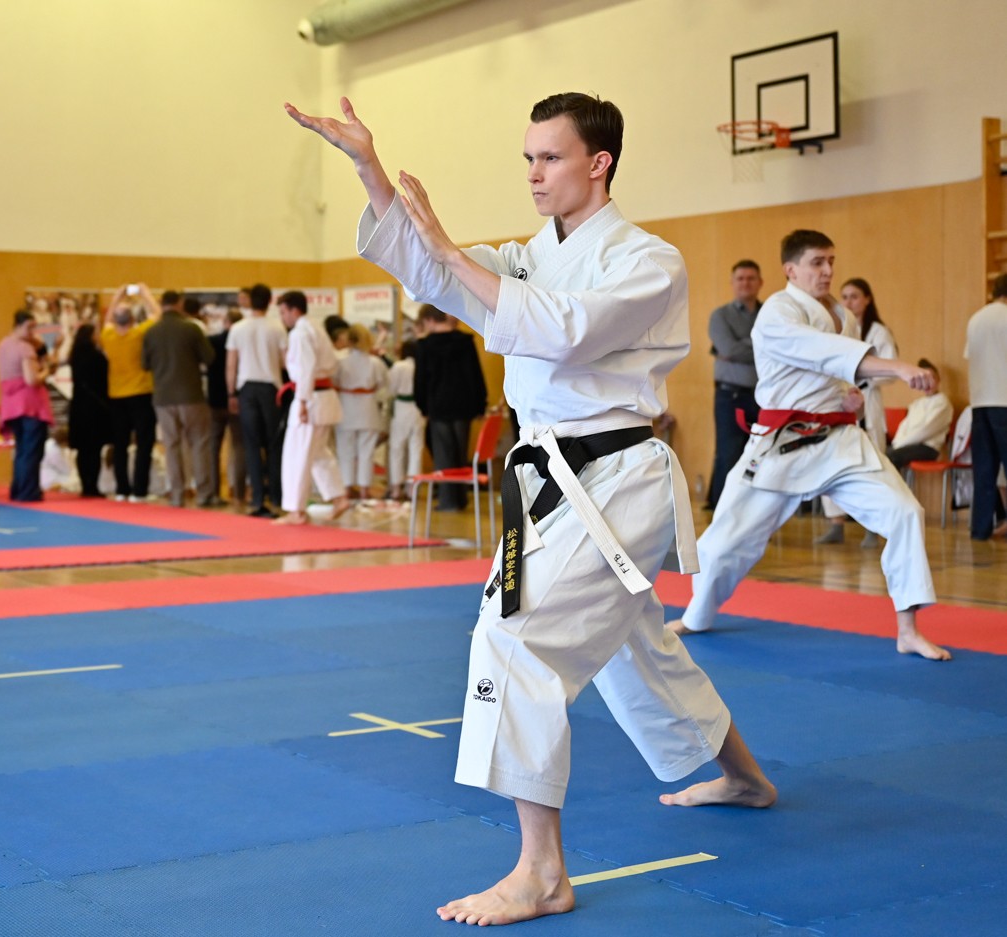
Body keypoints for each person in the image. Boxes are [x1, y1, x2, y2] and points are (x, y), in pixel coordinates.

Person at [288, 92, 776, 927]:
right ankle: (745, 777)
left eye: (550, 157)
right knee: (637, 645)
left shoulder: (648, 260)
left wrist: (451, 248)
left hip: (616, 479)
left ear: (599, 163)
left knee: (513, 637)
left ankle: (541, 871)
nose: (534, 174)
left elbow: (563, 330)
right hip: (551, 479)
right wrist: (370, 169)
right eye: (528, 159)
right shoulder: (526, 257)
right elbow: (431, 271)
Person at [668, 229, 950, 663]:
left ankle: (908, 630)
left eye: (831, 261)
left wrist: (851, 394)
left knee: (905, 512)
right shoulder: (776, 313)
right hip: (782, 446)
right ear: (791, 270)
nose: (827, 270)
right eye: (817, 262)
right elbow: (823, 352)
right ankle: (696, 616)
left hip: (839, 443)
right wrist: (896, 367)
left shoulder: (842, 315)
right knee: (724, 544)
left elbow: (834, 373)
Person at [816, 277, 898, 546]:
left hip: (868, 399)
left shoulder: (878, 332)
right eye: (845, 297)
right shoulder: (835, 330)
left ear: (867, 299)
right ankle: (836, 523)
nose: (849, 302)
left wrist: (865, 377)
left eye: (854, 296)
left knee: (872, 467)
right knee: (832, 462)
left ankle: (872, 527)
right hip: (838, 401)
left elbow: (891, 369)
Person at [273, 290, 350, 525]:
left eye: (283, 312)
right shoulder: (315, 327)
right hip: (322, 396)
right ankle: (338, 498)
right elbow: (331, 364)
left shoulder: (300, 333)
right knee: (318, 453)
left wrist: (303, 402)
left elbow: (306, 369)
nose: (282, 317)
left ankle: (296, 511)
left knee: (297, 454)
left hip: (311, 398)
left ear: (294, 310)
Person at [143, 289, 216, 506]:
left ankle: (177, 493)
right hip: (191, 394)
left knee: (171, 445)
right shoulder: (191, 328)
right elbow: (209, 357)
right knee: (199, 443)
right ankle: (204, 493)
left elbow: (145, 364)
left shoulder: (151, 332)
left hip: (163, 397)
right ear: (179, 303)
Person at [413, 303, 487, 511]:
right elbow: (475, 375)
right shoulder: (465, 341)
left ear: (429, 320)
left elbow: (420, 381)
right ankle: (461, 498)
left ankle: (448, 501)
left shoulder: (424, 346)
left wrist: (422, 407)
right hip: (464, 405)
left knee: (444, 455)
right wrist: (480, 404)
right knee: (460, 453)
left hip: (438, 405)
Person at [226, 283, 286, 517]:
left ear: (250, 301)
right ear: (270, 301)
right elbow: (285, 362)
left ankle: (257, 498)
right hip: (271, 387)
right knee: (274, 444)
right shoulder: (277, 327)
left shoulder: (238, 328)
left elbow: (231, 365)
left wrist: (231, 393)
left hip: (247, 388)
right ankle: (277, 497)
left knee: (251, 444)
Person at [706, 260, 763, 511]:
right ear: (732, 283)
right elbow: (729, 349)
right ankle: (722, 512)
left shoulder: (770, 314)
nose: (745, 283)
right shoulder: (720, 316)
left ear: (760, 282)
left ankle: (753, 510)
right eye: (740, 278)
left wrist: (741, 346)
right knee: (728, 454)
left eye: (751, 278)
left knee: (759, 457)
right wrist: (760, 345)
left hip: (763, 398)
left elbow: (781, 348)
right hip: (730, 397)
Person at [101, 284, 159, 502]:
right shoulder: (139, 334)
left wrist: (117, 296)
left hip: (117, 395)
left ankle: (121, 489)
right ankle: (139, 490)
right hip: (141, 393)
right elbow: (157, 314)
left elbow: (107, 320)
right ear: (133, 319)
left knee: (120, 444)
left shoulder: (108, 335)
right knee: (144, 443)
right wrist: (145, 293)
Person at [965, 272, 1007, 540]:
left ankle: (980, 529)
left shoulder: (976, 319)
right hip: (1005, 401)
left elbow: (971, 357)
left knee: (983, 470)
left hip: (980, 402)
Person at [0, 311, 54, 502]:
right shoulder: (25, 348)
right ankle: (28, 491)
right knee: (32, 450)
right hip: (30, 405)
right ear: (18, 325)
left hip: (11, 404)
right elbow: (32, 379)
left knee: (22, 450)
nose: (32, 332)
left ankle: (18, 489)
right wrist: (47, 371)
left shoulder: (3, 345)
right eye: (29, 327)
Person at [334, 322, 389, 499]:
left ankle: (347, 487)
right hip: (368, 407)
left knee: (345, 450)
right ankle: (365, 488)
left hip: (346, 406)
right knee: (367, 451)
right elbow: (382, 383)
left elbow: (333, 381)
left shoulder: (341, 361)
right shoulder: (375, 362)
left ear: (348, 340)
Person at [207, 309, 246, 506]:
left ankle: (213, 491)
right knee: (239, 446)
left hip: (215, 400)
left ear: (225, 322)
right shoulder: (243, 342)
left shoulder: (212, 341)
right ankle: (239, 493)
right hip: (238, 399)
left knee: (213, 446)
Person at [886, 358, 953, 471]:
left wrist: (900, 444)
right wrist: (896, 443)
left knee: (892, 457)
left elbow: (925, 430)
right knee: (881, 455)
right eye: (924, 379)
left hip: (928, 447)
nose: (928, 383)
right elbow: (904, 425)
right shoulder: (917, 404)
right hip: (908, 444)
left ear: (938, 379)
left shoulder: (942, 403)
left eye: (932, 378)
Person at [68, 322, 111, 498]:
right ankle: (92, 484)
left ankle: (85, 484)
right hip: (95, 406)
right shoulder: (97, 356)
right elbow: (105, 377)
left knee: (82, 449)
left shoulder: (74, 355)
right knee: (94, 448)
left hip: (78, 405)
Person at [386, 339, 426, 501]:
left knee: (397, 448)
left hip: (402, 407)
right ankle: (412, 489)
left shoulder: (399, 366)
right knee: (416, 448)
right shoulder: (422, 365)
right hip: (419, 408)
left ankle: (396, 488)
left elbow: (390, 388)